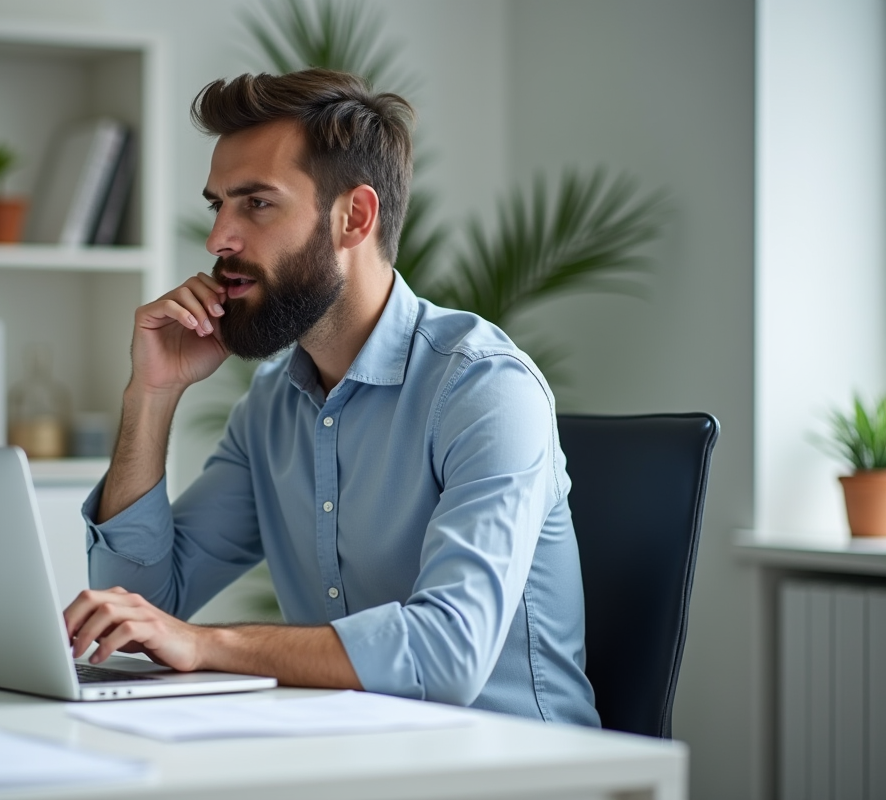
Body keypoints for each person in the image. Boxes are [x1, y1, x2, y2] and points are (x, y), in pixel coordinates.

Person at [63, 68, 599, 726]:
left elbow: (447, 655)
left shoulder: (484, 388)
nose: (217, 239)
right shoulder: (271, 408)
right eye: (217, 205)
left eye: (256, 203)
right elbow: (138, 606)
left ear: (355, 217)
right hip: (353, 753)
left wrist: (207, 645)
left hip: (524, 771)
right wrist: (152, 393)